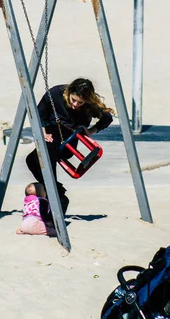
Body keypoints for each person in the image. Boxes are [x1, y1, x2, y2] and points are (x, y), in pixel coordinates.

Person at [25, 78, 114, 217]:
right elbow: (39, 112)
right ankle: (57, 191)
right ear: (69, 92)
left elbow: (107, 118)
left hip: (68, 142)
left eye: (80, 102)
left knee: (46, 156)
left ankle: (56, 197)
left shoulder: (90, 105)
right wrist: (43, 132)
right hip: (51, 135)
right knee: (31, 160)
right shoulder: (55, 93)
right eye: (73, 100)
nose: (75, 104)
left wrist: (90, 131)